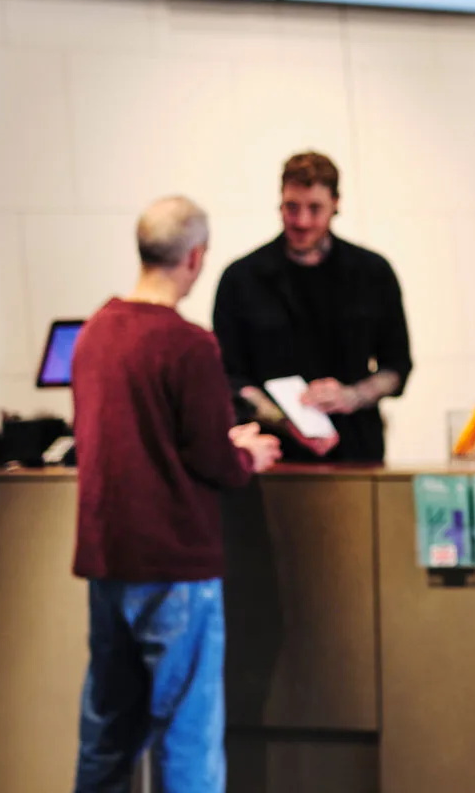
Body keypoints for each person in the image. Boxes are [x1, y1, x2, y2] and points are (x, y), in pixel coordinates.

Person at [71, 196, 284, 792]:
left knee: (106, 738)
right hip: (175, 569)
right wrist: (249, 452)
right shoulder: (189, 344)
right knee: (187, 742)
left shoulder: (93, 333)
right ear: (195, 257)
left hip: (108, 563)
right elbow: (211, 458)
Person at [212, 152, 411, 462]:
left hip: (356, 451)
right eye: (292, 208)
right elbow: (228, 375)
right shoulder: (241, 278)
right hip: (271, 454)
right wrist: (285, 418)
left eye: (315, 209)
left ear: (336, 204)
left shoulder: (373, 273)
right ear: (280, 203)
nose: (302, 221)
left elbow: (397, 367)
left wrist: (351, 396)